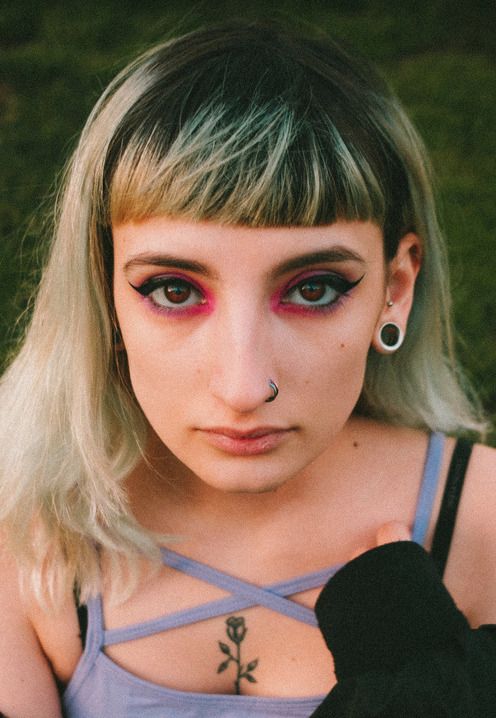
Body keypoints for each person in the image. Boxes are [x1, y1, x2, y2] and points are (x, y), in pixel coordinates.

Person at [0, 19, 495, 718]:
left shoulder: (484, 522)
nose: (242, 387)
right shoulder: (29, 525)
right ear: (103, 294)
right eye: (174, 291)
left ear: (396, 288)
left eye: (314, 288)